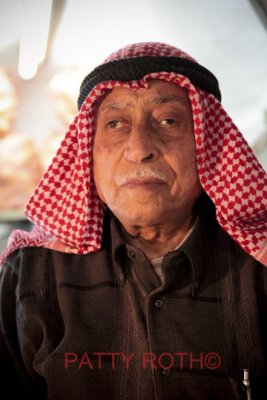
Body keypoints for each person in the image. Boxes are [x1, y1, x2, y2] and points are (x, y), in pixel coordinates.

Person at [0, 42, 266, 400]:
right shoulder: (32, 273)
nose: (140, 147)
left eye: (168, 121)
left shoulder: (258, 269)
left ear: (209, 142)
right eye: (115, 124)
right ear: (88, 153)